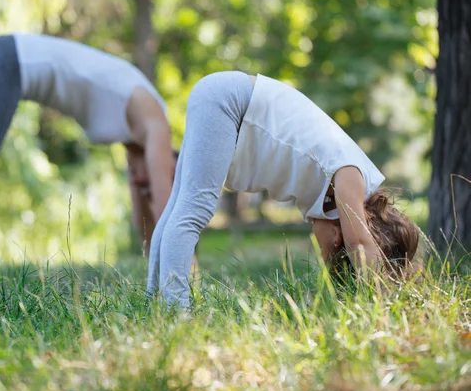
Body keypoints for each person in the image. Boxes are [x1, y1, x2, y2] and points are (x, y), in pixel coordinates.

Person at [0, 33, 177, 294]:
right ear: (171, 163)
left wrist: (145, 197)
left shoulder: (136, 133)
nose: (143, 184)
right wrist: (188, 271)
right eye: (163, 173)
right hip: (8, 64)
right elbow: (169, 219)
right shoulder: (155, 120)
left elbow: (148, 236)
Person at [147, 71, 419, 309]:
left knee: (176, 209)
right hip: (229, 101)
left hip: (221, 98)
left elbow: (349, 252)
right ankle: (175, 312)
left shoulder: (341, 188)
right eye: (325, 249)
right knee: (192, 213)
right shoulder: (353, 176)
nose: (319, 247)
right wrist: (379, 304)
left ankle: (153, 300)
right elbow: (359, 244)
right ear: (337, 237)